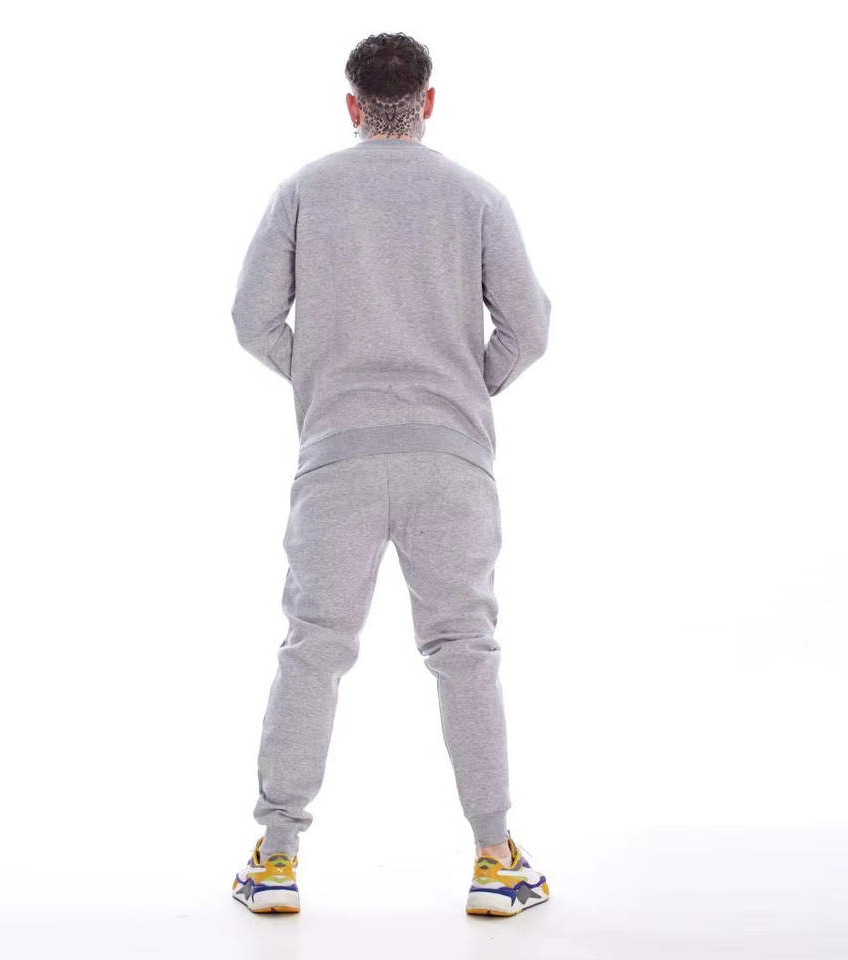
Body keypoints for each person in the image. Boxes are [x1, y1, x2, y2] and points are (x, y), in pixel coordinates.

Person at [229, 32, 552, 917]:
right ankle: (495, 860)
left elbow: (253, 320)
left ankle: (276, 858)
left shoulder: (303, 191)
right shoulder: (476, 196)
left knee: (313, 649)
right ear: (428, 102)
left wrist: (323, 379)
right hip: (451, 462)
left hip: (337, 457)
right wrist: (462, 388)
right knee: (465, 651)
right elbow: (529, 328)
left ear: (352, 105)